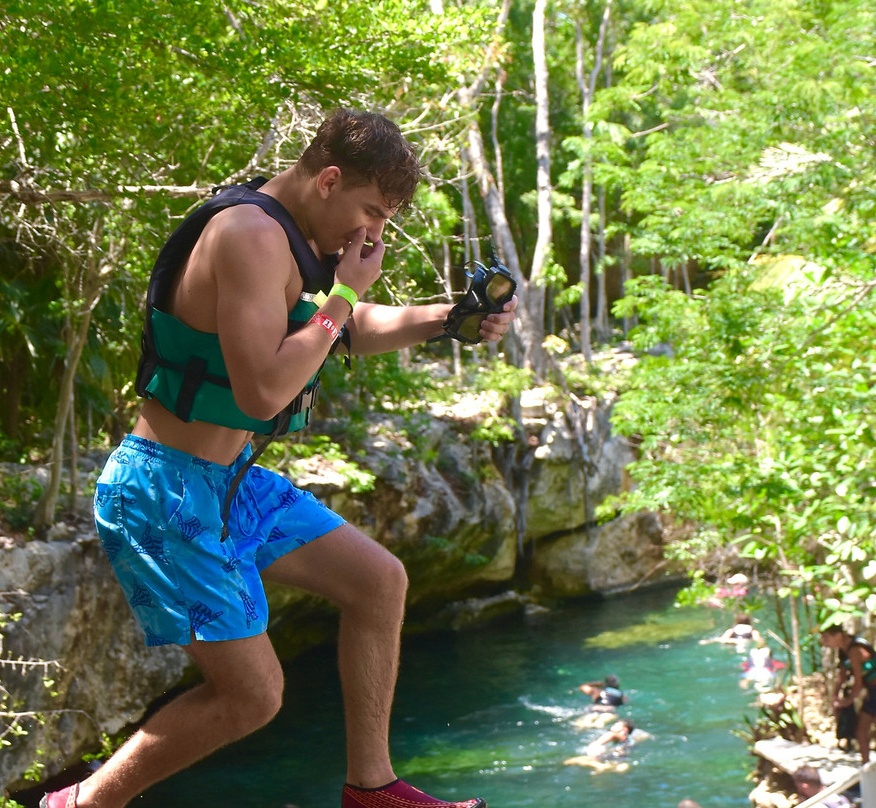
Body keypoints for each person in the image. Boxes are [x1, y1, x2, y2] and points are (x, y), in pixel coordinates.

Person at [40, 109, 516, 808]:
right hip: (163, 490)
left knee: (378, 583)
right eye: (372, 213)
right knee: (253, 696)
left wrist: (450, 319)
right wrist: (347, 293)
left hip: (229, 483)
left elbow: (342, 331)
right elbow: (263, 387)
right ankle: (81, 804)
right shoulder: (248, 235)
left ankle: (372, 791)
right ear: (328, 180)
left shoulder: (297, 243)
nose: (373, 234)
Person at [820, 625, 876, 764]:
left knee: (862, 730)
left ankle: (867, 766)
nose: (824, 642)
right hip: (872, 692)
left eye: (827, 638)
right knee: (861, 731)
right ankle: (866, 769)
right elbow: (842, 676)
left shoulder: (855, 650)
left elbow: (857, 683)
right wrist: (834, 695)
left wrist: (848, 701)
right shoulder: (843, 651)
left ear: (839, 635)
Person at [564, 718, 636, 773]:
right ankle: (601, 766)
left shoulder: (618, 736)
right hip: (611, 755)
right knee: (621, 768)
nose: (614, 726)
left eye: (617, 725)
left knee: (569, 761)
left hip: (609, 755)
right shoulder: (623, 737)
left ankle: (600, 766)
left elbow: (599, 743)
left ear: (624, 730)